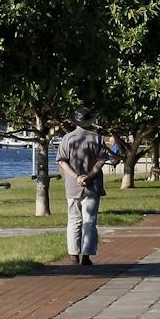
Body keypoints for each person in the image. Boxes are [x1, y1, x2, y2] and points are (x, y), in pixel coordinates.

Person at [57, 107, 106, 265]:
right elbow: (101, 161)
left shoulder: (67, 138)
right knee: (89, 221)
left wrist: (76, 177)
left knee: (73, 220)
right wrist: (89, 175)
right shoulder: (97, 138)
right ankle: (86, 255)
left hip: (72, 186)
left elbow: (62, 161)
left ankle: (73, 254)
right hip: (92, 186)